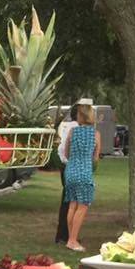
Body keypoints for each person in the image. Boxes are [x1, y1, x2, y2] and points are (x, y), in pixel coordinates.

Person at [64, 99, 101, 251]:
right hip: (84, 172)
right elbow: (95, 158)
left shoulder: (72, 132)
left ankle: (70, 239)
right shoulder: (95, 134)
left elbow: (66, 153)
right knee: (83, 206)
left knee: (72, 205)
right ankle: (73, 240)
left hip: (70, 171)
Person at [54, 104, 79, 244]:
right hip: (72, 166)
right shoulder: (75, 128)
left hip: (66, 166)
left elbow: (61, 149)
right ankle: (66, 235)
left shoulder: (68, 127)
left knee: (67, 201)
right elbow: (64, 149)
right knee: (71, 202)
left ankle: (63, 234)